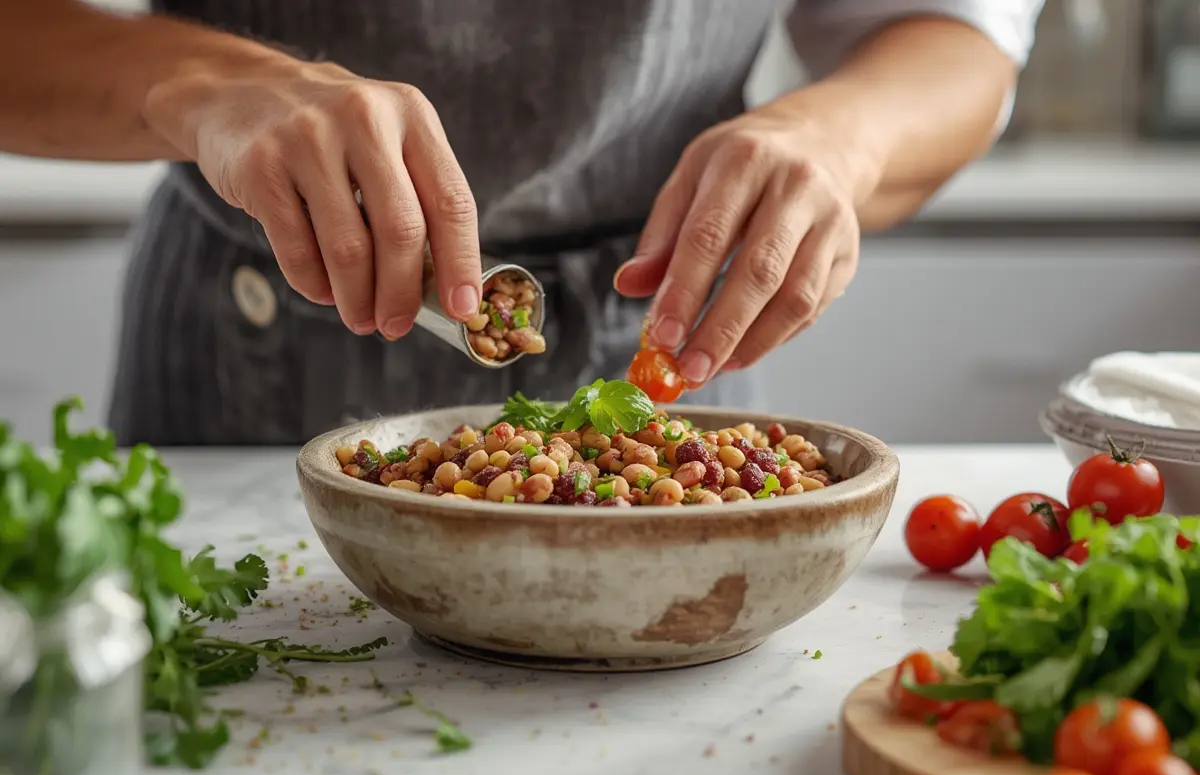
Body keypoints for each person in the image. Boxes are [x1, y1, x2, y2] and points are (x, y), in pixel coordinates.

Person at [0, 0, 1043, 446]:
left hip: (664, 333)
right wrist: (203, 81)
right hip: (245, 341)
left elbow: (957, 38)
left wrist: (839, 137)